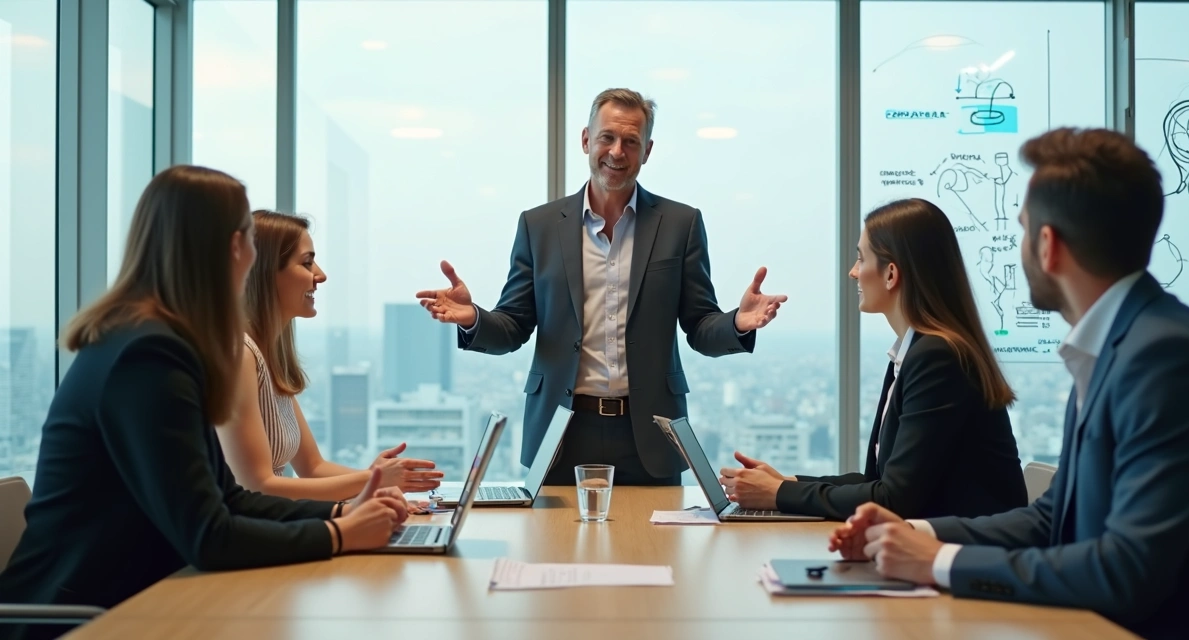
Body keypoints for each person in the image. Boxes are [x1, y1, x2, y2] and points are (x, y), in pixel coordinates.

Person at [832, 128, 1189, 639]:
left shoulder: (1162, 357)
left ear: (1048, 246)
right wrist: (910, 533)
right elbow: (1051, 520)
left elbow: (1127, 570)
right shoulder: (1113, 345)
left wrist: (939, 561)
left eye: (1022, 231)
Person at [0, 166, 409, 639]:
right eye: (251, 240)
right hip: (81, 620)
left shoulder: (149, 341)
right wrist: (339, 535)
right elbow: (208, 536)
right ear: (235, 247)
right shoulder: (147, 356)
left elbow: (228, 499)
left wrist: (342, 514)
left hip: (128, 600)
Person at [416, 88, 787, 485]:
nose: (617, 152)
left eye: (631, 141)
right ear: (586, 140)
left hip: (651, 434)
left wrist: (737, 324)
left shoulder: (681, 224)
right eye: (607, 137)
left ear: (647, 151)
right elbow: (513, 325)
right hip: (561, 431)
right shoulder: (539, 226)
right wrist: (472, 318)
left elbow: (700, 325)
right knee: (555, 530)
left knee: (657, 530)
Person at [717, 198, 1026, 520]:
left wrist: (779, 494)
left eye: (861, 259)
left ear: (891, 274)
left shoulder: (937, 357)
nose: (853, 272)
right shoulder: (915, 351)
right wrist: (786, 483)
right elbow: (876, 481)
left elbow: (893, 498)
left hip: (966, 547)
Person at [216, 210, 443, 501]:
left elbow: (313, 468)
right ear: (266, 272)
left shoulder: (267, 358)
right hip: (256, 526)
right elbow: (259, 486)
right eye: (306, 262)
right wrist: (372, 482)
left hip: (275, 521)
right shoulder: (240, 355)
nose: (320, 275)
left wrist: (376, 484)